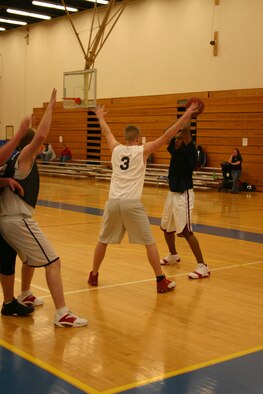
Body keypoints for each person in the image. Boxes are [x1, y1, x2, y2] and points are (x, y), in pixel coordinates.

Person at [88, 102, 200, 293]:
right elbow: (167, 136)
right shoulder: (142, 150)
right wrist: (186, 114)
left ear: (126, 137)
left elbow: (107, 133)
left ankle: (94, 274)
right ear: (138, 138)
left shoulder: (115, 148)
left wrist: (100, 117)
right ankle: (160, 280)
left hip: (113, 203)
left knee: (103, 240)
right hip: (131, 204)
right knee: (150, 242)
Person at [0, 89, 87, 327]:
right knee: (53, 262)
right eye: (38, 144)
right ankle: (62, 314)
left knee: (29, 258)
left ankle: (25, 293)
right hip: (17, 219)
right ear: (31, 145)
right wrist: (51, 106)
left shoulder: (7, 160)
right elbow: (42, 135)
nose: (42, 145)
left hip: (6, 220)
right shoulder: (24, 158)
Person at [160, 120, 210, 279]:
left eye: (180, 138)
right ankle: (173, 254)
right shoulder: (175, 149)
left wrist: (189, 114)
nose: (176, 140)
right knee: (166, 228)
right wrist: (176, 129)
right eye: (176, 138)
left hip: (184, 195)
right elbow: (166, 131)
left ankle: (203, 266)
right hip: (172, 194)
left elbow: (187, 131)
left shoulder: (190, 153)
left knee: (186, 231)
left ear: (187, 141)